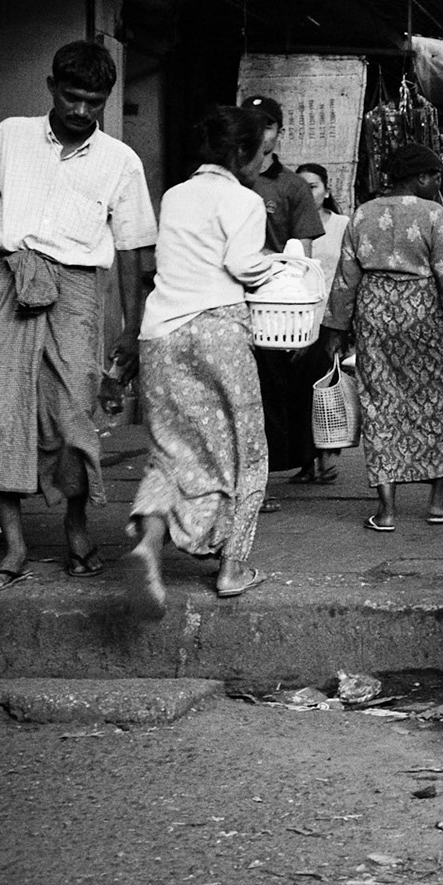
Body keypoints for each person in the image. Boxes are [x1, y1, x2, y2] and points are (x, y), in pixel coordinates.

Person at [0, 39, 156, 595]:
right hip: (8, 281)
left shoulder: (120, 161)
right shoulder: (9, 135)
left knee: (71, 413)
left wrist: (131, 326)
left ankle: (76, 529)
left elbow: (131, 250)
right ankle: (14, 545)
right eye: (73, 97)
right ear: (51, 87)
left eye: (94, 102)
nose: (82, 110)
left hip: (78, 292)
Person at [124, 107, 283, 615]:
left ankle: (148, 546)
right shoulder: (244, 199)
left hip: (162, 335)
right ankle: (233, 567)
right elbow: (242, 265)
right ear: (240, 153)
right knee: (242, 449)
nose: (265, 161)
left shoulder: (174, 195)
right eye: (262, 153)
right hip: (217, 331)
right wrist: (280, 263)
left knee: (172, 450)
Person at [322, 144, 443, 531]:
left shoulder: (362, 213)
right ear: (422, 177)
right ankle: (440, 502)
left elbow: (346, 278)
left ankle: (387, 511)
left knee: (380, 403)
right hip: (420, 315)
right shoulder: (433, 214)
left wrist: (335, 330)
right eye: (436, 178)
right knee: (438, 400)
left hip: (374, 314)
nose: (438, 185)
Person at [239, 97, 326, 495]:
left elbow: (301, 259)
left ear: (279, 132)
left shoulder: (292, 187)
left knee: (277, 392)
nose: (261, 132)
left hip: (276, 310)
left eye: (269, 125)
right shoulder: (227, 181)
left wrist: (302, 316)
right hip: (228, 303)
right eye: (253, 123)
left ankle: (272, 477)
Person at [293, 162, 350, 485]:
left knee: (325, 390)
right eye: (301, 186)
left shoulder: (342, 225)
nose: (307, 192)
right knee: (299, 392)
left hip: (330, 320)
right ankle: (304, 460)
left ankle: (326, 457)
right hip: (293, 322)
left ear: (326, 191)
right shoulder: (289, 225)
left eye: (313, 186)